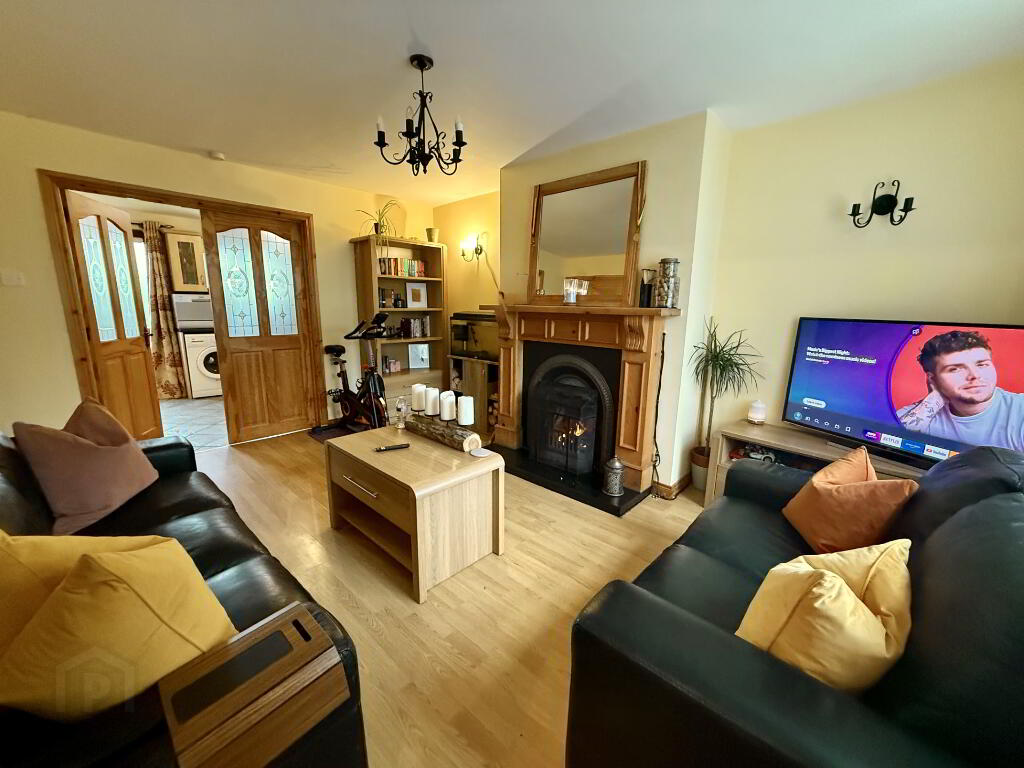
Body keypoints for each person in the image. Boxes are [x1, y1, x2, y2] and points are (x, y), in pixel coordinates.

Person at [897, 330, 1024, 451]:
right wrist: (934, 398)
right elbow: (894, 449)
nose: (975, 375)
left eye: (981, 364)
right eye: (955, 369)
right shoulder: (916, 414)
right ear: (933, 379)